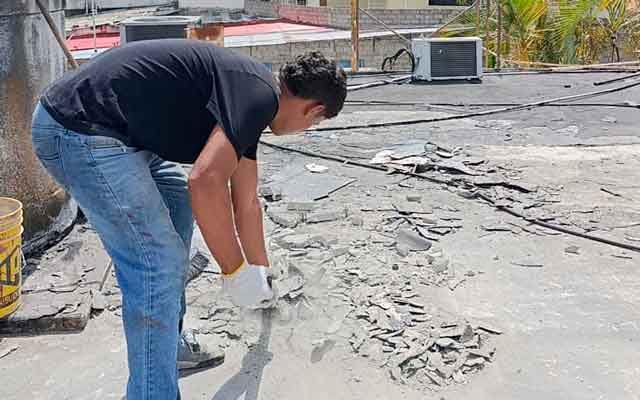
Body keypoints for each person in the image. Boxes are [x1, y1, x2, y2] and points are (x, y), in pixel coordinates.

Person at [30, 39, 347, 400]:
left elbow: (246, 204)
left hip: (111, 131)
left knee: (176, 202)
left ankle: (167, 347)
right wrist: (233, 272)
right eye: (316, 123)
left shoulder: (254, 97)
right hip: (76, 130)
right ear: (314, 109)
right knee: (157, 264)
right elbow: (205, 181)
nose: (307, 130)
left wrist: (260, 274)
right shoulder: (258, 97)